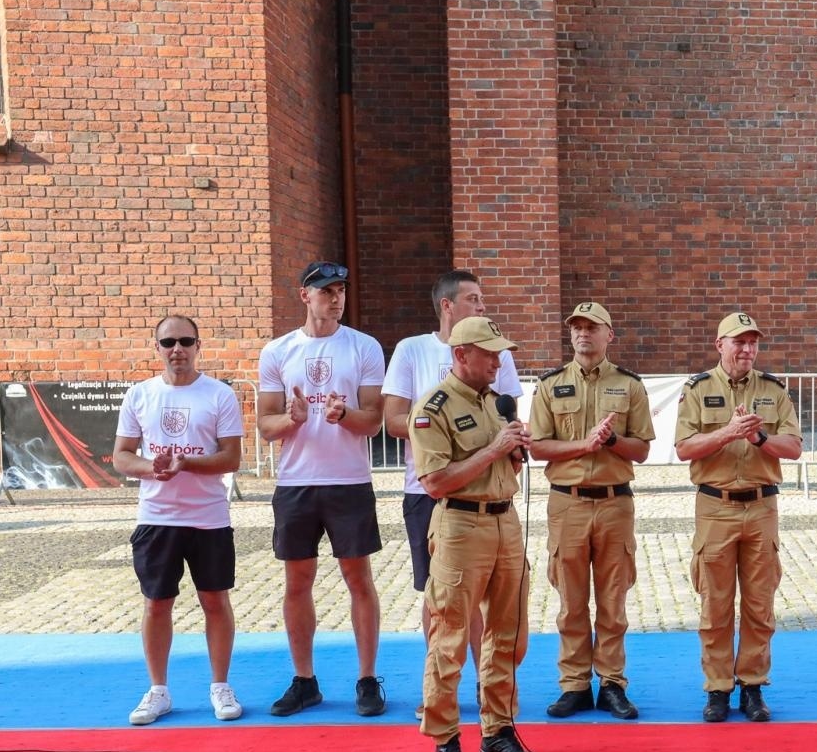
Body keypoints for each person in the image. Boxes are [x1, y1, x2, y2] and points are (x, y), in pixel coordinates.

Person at [383, 270, 522, 716]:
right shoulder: (420, 366)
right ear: (448, 306)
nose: (482, 305)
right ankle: (441, 715)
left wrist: (512, 449)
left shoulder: (491, 386)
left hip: (500, 513)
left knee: (506, 624)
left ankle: (495, 717)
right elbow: (398, 424)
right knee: (444, 607)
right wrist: (468, 443)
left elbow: (506, 422)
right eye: (473, 299)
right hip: (442, 502)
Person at [257, 261, 388, 717]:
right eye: (325, 290)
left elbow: (373, 421)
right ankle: (304, 679)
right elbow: (266, 425)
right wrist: (291, 419)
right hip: (296, 483)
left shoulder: (364, 346)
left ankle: (368, 678)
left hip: (349, 481)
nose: (335, 297)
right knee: (298, 582)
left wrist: (342, 416)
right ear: (304, 295)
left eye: (341, 290)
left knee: (359, 579)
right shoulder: (277, 351)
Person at [409, 316, 537, 752]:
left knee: (507, 632)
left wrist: (514, 450)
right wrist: (492, 450)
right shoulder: (433, 407)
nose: (498, 361)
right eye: (489, 353)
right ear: (461, 355)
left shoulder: (495, 404)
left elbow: (505, 470)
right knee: (450, 635)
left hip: (505, 521)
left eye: (500, 353)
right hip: (461, 525)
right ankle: (444, 737)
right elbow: (435, 481)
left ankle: (498, 729)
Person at [113, 316, 246, 725]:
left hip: (208, 518)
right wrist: (153, 469)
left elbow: (231, 458)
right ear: (156, 347)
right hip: (157, 518)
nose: (178, 349)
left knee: (215, 601)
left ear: (198, 345)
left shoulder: (220, 394)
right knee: (156, 604)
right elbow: (121, 455)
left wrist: (186, 462)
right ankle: (158, 690)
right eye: (168, 341)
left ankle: (220, 685)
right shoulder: (140, 395)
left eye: (185, 341)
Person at [675, 312, 803, 722]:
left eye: (753, 343)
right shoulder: (697, 390)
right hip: (715, 507)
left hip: (762, 506)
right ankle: (717, 688)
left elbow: (795, 447)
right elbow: (684, 448)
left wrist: (759, 437)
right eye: (739, 342)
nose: (747, 350)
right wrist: (728, 433)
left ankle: (751, 686)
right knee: (715, 603)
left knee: (759, 603)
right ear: (720, 346)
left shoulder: (774, 390)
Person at [530, 302, 654, 720]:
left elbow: (642, 449)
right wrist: (582, 446)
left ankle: (613, 683)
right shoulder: (550, 385)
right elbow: (538, 446)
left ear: (609, 335)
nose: (583, 333)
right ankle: (575, 684)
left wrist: (612, 440)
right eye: (577, 327)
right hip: (567, 503)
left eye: (592, 327)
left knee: (613, 599)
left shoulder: (630, 386)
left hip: (615, 502)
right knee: (570, 600)